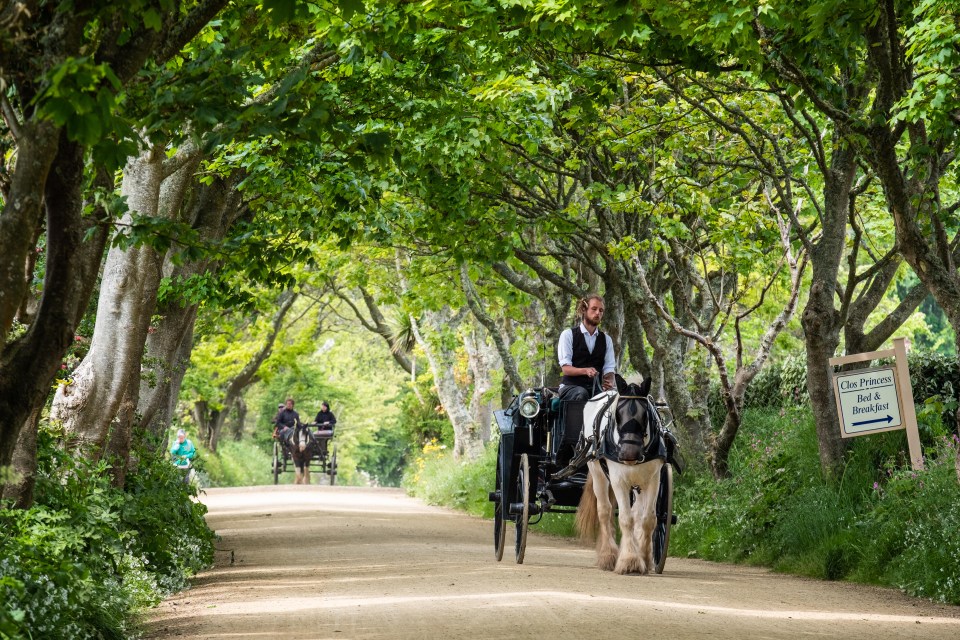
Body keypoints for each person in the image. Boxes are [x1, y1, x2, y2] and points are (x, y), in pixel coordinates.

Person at [557, 293, 616, 402]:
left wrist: (610, 382)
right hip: (571, 388)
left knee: (615, 398)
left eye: (601, 310)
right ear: (584, 309)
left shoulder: (607, 340)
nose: (598, 313)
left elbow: (609, 369)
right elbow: (566, 369)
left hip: (596, 389)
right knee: (581, 393)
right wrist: (585, 371)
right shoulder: (568, 335)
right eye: (594, 309)